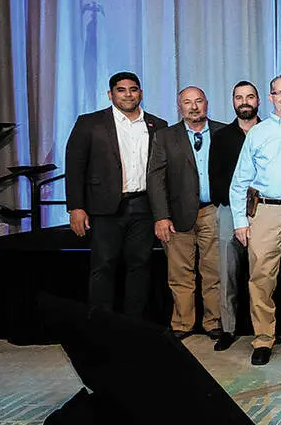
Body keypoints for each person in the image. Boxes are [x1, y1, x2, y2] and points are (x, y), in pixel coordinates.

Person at [65, 71, 168, 317]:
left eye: (133, 89)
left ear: (140, 93)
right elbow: (75, 166)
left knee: (140, 266)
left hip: (144, 206)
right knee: (103, 265)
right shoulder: (89, 123)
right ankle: (101, 323)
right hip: (105, 208)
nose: (128, 94)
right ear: (110, 94)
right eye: (121, 90)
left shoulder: (158, 125)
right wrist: (76, 207)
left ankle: (134, 325)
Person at [229, 75, 281, 366]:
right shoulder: (258, 133)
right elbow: (240, 181)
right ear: (271, 97)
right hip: (265, 211)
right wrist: (240, 220)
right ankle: (263, 338)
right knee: (261, 277)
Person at [147, 86, 225, 340]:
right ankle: (182, 323)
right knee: (180, 274)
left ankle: (214, 322)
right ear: (179, 107)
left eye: (198, 101)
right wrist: (160, 216)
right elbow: (155, 179)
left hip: (214, 211)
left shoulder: (223, 132)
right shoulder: (165, 137)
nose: (194, 107)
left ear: (207, 103)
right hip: (176, 215)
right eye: (187, 102)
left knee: (213, 272)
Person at [207, 80, 261, 352]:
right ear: (233, 102)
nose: (244, 102)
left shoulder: (269, 131)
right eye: (239, 97)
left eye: (249, 97)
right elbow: (214, 176)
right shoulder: (221, 136)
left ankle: (264, 329)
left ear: (258, 100)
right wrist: (234, 208)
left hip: (264, 211)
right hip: (230, 209)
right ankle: (228, 328)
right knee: (228, 271)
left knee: (263, 273)